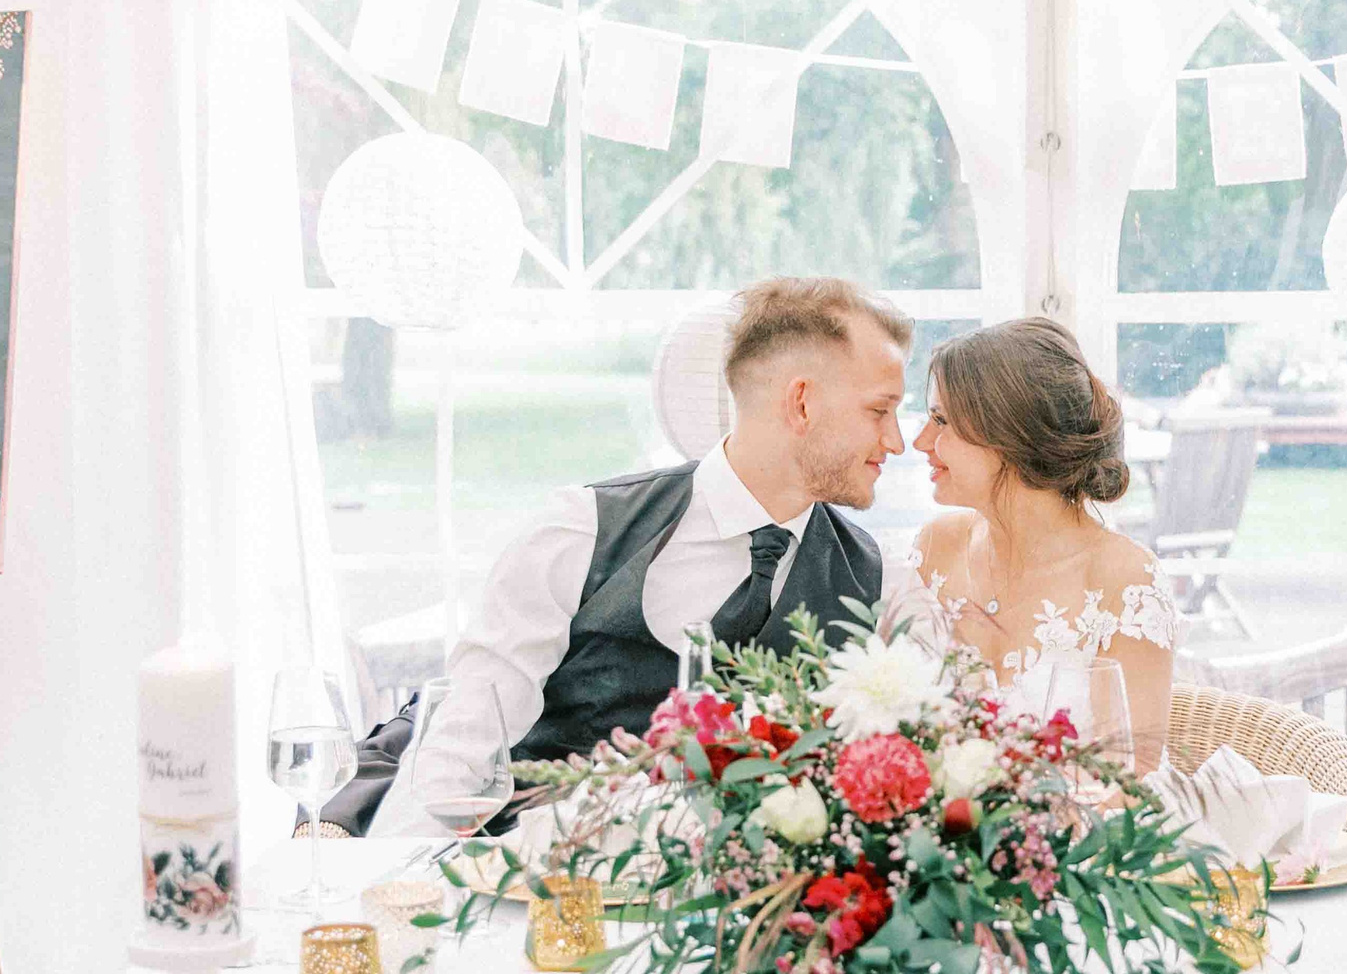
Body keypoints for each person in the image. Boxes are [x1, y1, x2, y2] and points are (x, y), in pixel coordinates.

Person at [316, 276, 917, 836]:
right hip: (537, 899)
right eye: (878, 410)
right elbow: (465, 738)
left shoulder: (878, 582)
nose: (896, 440)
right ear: (803, 403)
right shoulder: (582, 531)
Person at [900, 317, 1177, 771]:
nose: (920, 441)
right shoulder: (936, 548)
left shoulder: (1124, 582)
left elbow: (1126, 792)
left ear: (1009, 434)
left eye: (941, 421)